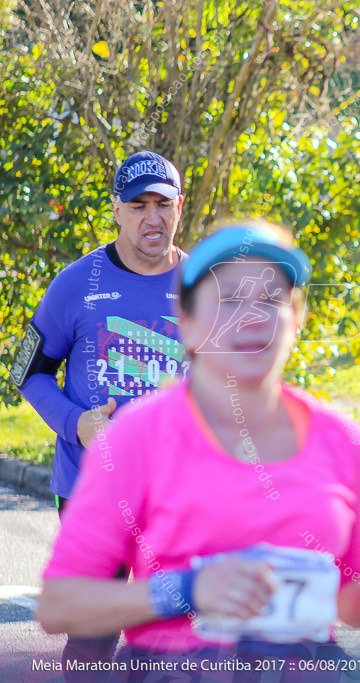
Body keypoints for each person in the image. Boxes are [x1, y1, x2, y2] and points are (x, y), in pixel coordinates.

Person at [36, 220, 360, 680]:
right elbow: (60, 605)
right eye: (229, 300)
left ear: (296, 318)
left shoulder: (343, 441)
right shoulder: (135, 437)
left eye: (271, 299)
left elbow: (350, 593)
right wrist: (189, 590)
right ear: (188, 321)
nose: (252, 316)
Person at [10, 150, 188, 676]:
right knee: (92, 640)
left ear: (180, 206)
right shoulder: (75, 284)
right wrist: (77, 423)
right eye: (138, 205)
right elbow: (29, 372)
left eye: (162, 204)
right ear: (116, 210)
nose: (151, 218)